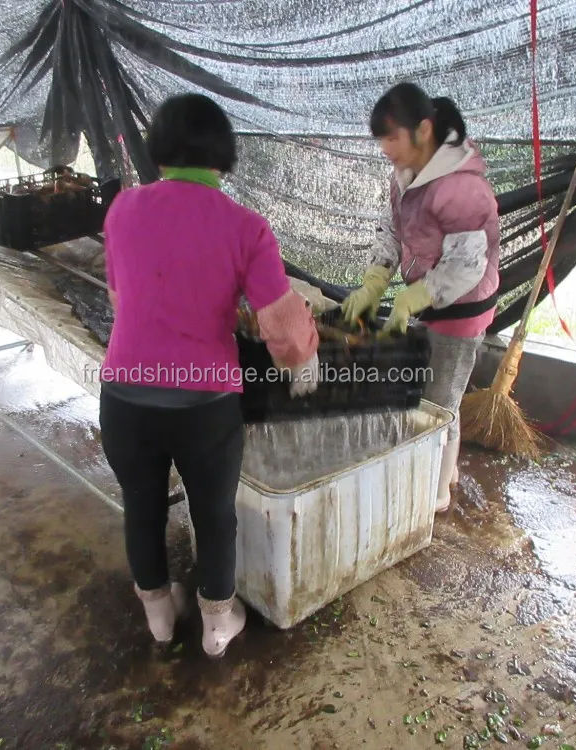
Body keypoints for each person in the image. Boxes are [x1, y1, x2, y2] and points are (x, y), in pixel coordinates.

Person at [98, 93, 320, 658]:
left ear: (160, 151)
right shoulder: (246, 227)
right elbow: (285, 332)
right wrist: (301, 365)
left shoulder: (122, 208)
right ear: (224, 154)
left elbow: (122, 297)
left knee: (142, 505)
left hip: (124, 394)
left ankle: (159, 616)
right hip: (205, 403)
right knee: (214, 514)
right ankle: (218, 624)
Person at [341, 83, 500, 512]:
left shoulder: (462, 189)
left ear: (424, 130)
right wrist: (375, 279)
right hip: (427, 298)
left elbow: (466, 265)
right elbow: (392, 229)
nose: (384, 148)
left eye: (391, 137)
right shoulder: (406, 176)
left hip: (462, 304)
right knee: (433, 390)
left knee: (439, 401)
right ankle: (438, 472)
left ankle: (435, 495)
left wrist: (414, 297)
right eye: (381, 139)